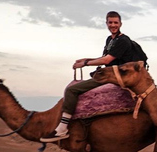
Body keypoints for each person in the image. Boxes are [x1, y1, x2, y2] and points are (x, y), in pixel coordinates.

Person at [41, 11, 148, 142]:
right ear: (106, 23)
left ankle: (62, 128)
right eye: (110, 22)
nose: (113, 25)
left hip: (117, 77)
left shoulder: (123, 41)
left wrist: (85, 63)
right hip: (110, 73)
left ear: (120, 24)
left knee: (72, 90)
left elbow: (106, 61)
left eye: (115, 23)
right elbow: (105, 58)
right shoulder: (111, 40)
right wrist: (86, 59)